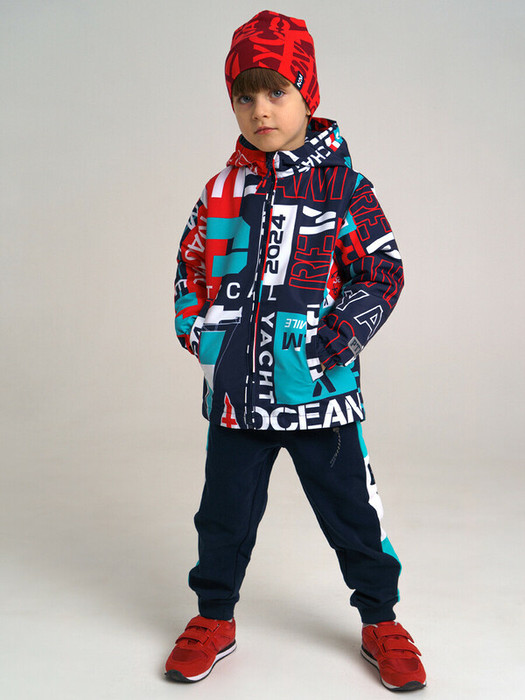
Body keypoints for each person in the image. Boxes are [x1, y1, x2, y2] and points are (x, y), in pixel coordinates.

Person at [166, 10, 426, 692]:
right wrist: (203, 337)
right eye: (244, 96)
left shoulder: (345, 189)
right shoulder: (220, 192)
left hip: (320, 393)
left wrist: (338, 338)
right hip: (236, 399)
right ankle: (213, 617)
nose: (260, 110)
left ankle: (380, 619)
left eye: (276, 92)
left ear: (306, 93)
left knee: (353, 516)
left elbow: (382, 270)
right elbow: (190, 266)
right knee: (222, 515)